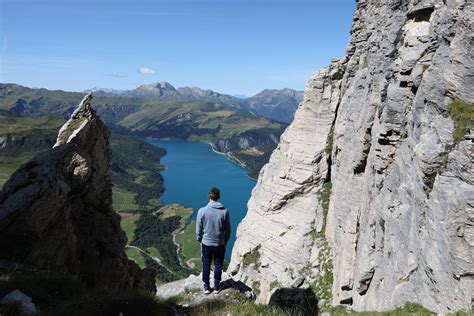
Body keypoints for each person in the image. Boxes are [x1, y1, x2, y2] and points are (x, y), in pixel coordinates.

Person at [196, 187, 231, 294]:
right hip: (219, 243)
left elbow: (199, 229)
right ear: (218, 197)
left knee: (206, 264)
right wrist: (225, 240)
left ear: (209, 196)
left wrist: (199, 239)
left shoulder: (202, 211)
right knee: (218, 264)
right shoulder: (224, 211)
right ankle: (216, 287)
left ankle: (206, 287)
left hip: (206, 243)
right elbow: (228, 230)